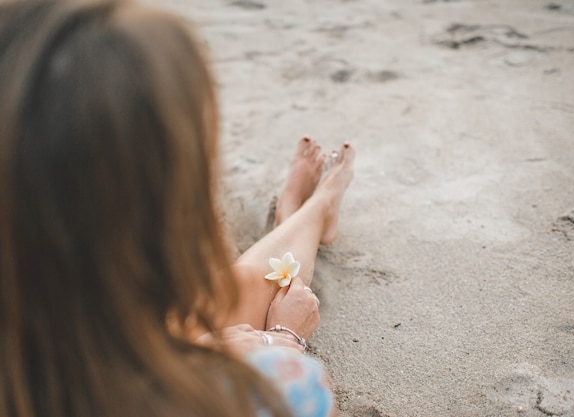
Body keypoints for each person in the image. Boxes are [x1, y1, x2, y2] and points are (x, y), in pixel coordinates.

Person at [0, 0, 356, 416]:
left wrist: (197, 348)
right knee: (246, 291)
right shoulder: (274, 391)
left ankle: (304, 214)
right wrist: (281, 341)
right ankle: (318, 209)